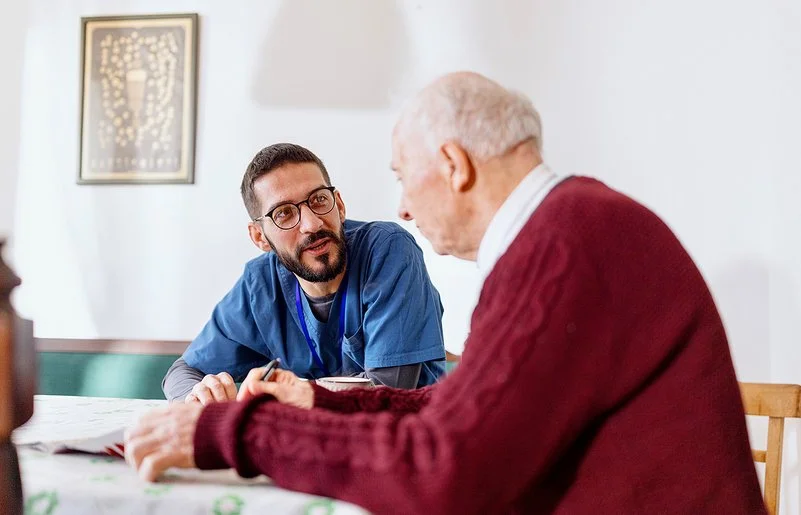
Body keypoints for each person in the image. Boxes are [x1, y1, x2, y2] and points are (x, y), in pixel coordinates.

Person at [128, 73, 766, 514]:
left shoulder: (565, 248)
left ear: (455, 165)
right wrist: (313, 398)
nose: (402, 209)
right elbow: (457, 407)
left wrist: (239, 431)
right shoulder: (571, 229)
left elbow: (447, 471)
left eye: (405, 178)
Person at [162, 143, 447, 403]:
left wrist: (283, 399)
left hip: (404, 443)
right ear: (260, 237)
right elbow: (184, 371)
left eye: (319, 200)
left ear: (340, 205)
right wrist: (197, 396)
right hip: (310, 441)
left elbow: (388, 394)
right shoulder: (260, 284)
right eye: (284, 213)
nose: (311, 224)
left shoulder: (388, 250)